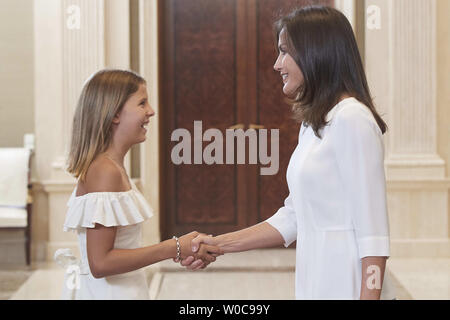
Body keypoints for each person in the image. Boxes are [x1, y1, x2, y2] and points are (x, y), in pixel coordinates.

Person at [181, 6, 396, 300]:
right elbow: (294, 216)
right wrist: (218, 244)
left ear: (315, 53)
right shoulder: (315, 122)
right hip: (315, 280)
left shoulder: (353, 119)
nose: (276, 64)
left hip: (346, 284)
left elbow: (374, 236)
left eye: (284, 52)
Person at [56, 69, 222, 299]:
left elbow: (122, 251)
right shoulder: (104, 171)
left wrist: (180, 248)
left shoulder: (112, 167)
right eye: (142, 103)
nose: (151, 111)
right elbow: (100, 263)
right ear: (115, 113)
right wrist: (173, 247)